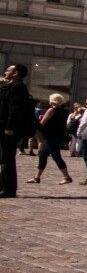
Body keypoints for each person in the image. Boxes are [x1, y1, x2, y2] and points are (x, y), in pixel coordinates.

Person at [0, 63, 33, 198]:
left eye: (9, 70)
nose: (5, 72)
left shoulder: (18, 87)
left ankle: (8, 189)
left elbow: (15, 109)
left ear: (16, 73)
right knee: (3, 158)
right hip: (3, 125)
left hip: (8, 128)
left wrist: (9, 127)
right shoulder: (9, 86)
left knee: (7, 158)